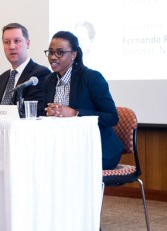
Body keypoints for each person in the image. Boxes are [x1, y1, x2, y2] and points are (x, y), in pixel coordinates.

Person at [42, 31, 123, 170]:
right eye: (50, 52)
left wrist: (75, 113)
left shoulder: (92, 78)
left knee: (63, 166)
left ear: (73, 55)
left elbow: (111, 117)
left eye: (59, 52)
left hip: (97, 148)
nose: (53, 57)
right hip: (64, 147)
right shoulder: (48, 80)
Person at [0, 23, 50, 114]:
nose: (12, 47)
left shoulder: (40, 74)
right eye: (7, 42)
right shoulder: (0, 80)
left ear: (28, 43)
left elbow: (34, 113)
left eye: (17, 41)